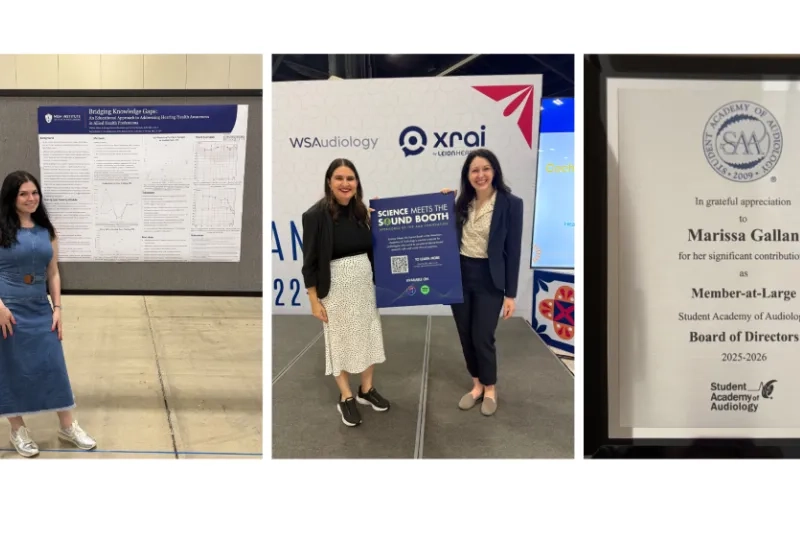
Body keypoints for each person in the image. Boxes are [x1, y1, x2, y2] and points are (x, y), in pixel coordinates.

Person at [0, 170, 96, 457]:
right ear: (11, 198)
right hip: (8, 311)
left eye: (34, 193)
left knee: (53, 365)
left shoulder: (46, 231)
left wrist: (58, 308)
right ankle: (17, 429)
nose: (31, 198)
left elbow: (53, 272)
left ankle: (67, 426)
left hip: (40, 309)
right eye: (23, 194)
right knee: (10, 368)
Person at [301, 158, 390, 427]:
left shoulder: (363, 213)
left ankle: (366, 389)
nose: (345, 183)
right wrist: (314, 300)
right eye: (339, 178)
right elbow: (310, 262)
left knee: (368, 336)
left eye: (350, 178)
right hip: (336, 291)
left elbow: (378, 247)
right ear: (329, 182)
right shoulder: (315, 216)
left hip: (364, 288)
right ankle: (346, 396)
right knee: (340, 342)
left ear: (357, 182)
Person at [442, 148, 523, 416]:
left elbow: (513, 251)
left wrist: (510, 294)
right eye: (474, 170)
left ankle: (490, 388)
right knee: (465, 333)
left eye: (486, 168)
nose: (481, 175)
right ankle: (476, 384)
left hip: (490, 278)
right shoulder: (460, 203)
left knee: (482, 335)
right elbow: (441, 234)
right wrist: (440, 204)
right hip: (460, 275)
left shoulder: (511, 204)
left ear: (495, 171)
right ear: (467, 175)